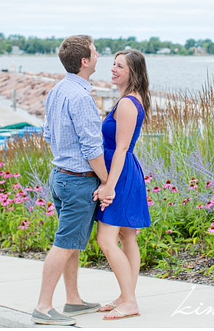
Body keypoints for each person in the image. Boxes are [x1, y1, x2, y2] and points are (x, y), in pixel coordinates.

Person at [32, 35, 115, 326]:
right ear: (84, 61)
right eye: (95, 52)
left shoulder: (58, 90)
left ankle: (73, 300)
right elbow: (92, 149)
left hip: (60, 176)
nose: (98, 56)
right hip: (79, 180)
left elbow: (48, 136)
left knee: (71, 241)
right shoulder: (81, 96)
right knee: (65, 243)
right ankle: (43, 307)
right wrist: (107, 182)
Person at [94, 49, 152, 320]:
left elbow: (122, 148)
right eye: (113, 64)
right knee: (128, 237)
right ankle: (126, 295)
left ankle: (129, 301)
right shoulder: (129, 99)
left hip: (120, 175)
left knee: (106, 239)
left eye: (120, 66)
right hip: (125, 172)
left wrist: (109, 186)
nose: (114, 69)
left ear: (133, 72)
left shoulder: (128, 103)